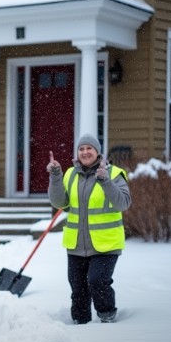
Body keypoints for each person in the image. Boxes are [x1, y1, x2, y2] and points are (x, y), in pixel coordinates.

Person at [47, 133, 131, 324]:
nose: (85, 152)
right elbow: (59, 202)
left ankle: (107, 316)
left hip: (106, 242)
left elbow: (123, 204)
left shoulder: (115, 174)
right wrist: (56, 176)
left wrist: (105, 181)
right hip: (77, 243)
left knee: (97, 282)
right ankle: (80, 323)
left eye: (89, 148)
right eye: (81, 149)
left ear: (98, 152)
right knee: (78, 288)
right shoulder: (70, 174)